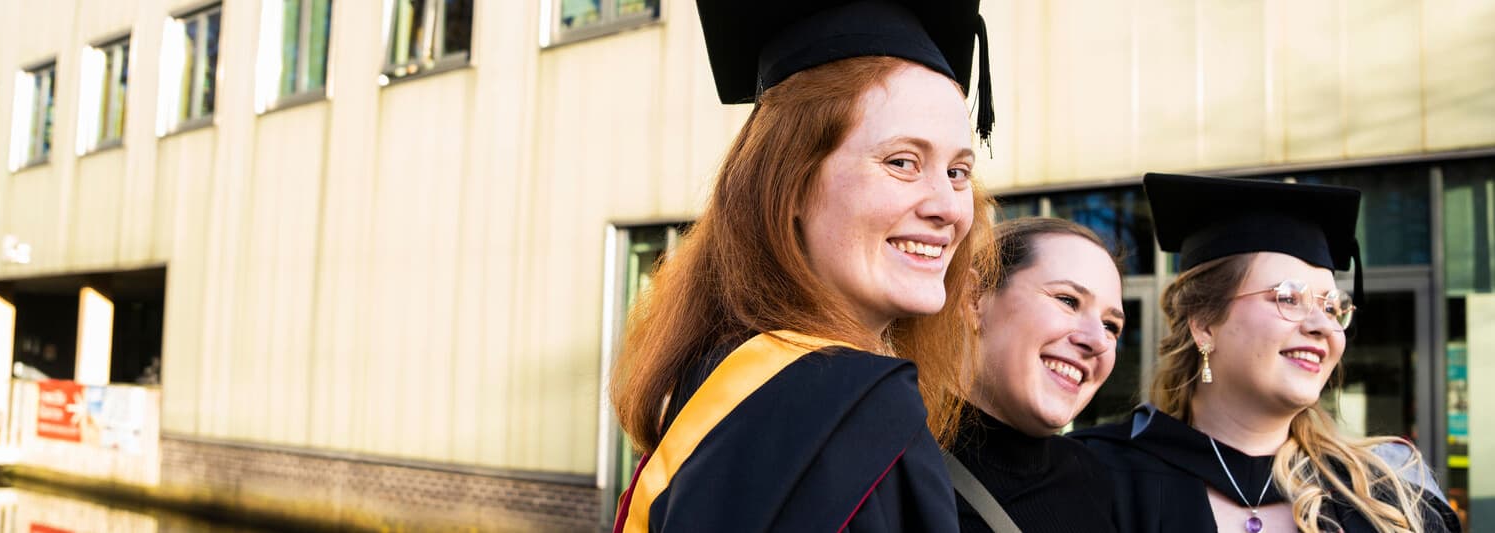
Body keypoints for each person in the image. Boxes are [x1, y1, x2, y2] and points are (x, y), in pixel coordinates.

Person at [608, 0, 998, 530]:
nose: (949, 206)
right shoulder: (857, 422)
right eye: (902, 162)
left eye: (957, 171)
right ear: (787, 184)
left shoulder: (725, 388)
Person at [1074, 173, 1460, 533]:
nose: (1323, 326)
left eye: (1331, 307)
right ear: (1205, 324)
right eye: (1288, 298)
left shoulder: (1392, 498)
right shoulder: (1092, 479)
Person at [949, 217, 1125, 533]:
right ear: (974, 298)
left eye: (1112, 326)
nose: (1098, 341)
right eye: (1068, 300)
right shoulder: (894, 471)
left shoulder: (1093, 477)